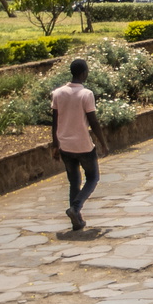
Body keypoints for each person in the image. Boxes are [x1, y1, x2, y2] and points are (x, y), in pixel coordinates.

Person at [49, 59, 111, 232]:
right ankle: (76, 208)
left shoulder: (58, 93)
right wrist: (103, 143)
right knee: (92, 177)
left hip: (65, 145)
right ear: (83, 73)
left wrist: (55, 145)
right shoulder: (86, 94)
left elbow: (55, 122)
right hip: (83, 144)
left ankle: (76, 220)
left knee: (74, 182)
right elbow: (93, 122)